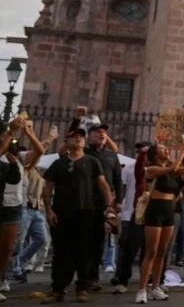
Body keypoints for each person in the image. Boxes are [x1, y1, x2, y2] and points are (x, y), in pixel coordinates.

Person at [42, 126, 115, 303]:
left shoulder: (92, 161)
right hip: (61, 212)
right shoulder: (58, 164)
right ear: (66, 142)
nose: (79, 139)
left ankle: (82, 287)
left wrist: (109, 208)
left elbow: (103, 185)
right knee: (61, 253)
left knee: (83, 251)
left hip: (86, 212)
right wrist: (49, 210)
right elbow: (47, 188)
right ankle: (58, 289)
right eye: (74, 137)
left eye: (81, 137)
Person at [136, 141, 184, 304]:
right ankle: (142, 289)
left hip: (169, 210)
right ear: (155, 154)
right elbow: (171, 169)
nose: (167, 150)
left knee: (162, 251)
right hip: (155, 210)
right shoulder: (152, 169)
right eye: (163, 148)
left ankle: (156, 286)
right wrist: (182, 151)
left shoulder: (173, 171)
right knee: (151, 251)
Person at [0, 118, 43, 297]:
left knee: (7, 248)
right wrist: (10, 132)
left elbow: (40, 151)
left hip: (13, 206)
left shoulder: (17, 158)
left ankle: (2, 279)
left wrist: (29, 134)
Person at [84, 123, 124, 293]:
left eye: (104, 132)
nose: (101, 134)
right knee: (81, 241)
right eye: (97, 131)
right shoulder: (83, 153)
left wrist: (119, 201)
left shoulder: (112, 156)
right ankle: (81, 277)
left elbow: (117, 180)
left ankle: (93, 278)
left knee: (98, 242)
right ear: (89, 135)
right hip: (84, 202)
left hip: (104, 204)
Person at [111, 143, 149, 294]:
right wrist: (118, 206)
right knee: (128, 248)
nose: (143, 155)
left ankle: (145, 279)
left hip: (152, 216)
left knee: (148, 250)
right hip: (131, 213)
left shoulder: (157, 170)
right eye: (140, 152)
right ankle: (121, 277)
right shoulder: (130, 168)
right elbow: (123, 188)